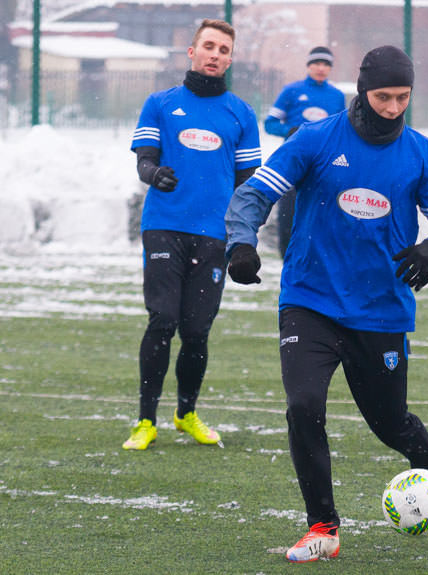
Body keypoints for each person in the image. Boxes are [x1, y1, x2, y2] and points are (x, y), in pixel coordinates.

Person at [224, 45, 428, 562]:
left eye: (402, 97)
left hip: (381, 310)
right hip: (309, 300)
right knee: (303, 406)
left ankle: (425, 457)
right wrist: (241, 243)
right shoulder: (315, 138)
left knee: (389, 423)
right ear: (362, 90)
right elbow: (256, 194)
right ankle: (323, 526)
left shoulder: (421, 152)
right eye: (383, 96)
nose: (391, 107)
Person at [122, 19, 261, 450]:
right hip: (163, 227)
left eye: (223, 49)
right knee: (162, 320)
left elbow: (248, 183)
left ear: (230, 58)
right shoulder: (161, 104)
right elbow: (145, 161)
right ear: (192, 51)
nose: (215, 54)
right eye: (209, 46)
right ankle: (146, 421)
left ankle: (186, 413)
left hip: (212, 235)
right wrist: (154, 174)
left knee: (197, 330)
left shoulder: (241, 113)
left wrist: (242, 239)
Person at [264, 46, 346, 256]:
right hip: (292, 165)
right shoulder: (292, 91)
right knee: (288, 217)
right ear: (308, 66)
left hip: (322, 167)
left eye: (325, 64)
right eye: (316, 63)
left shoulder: (336, 96)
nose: (321, 68)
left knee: (321, 216)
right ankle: (287, 261)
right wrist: (290, 131)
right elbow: (270, 123)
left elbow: (341, 131)